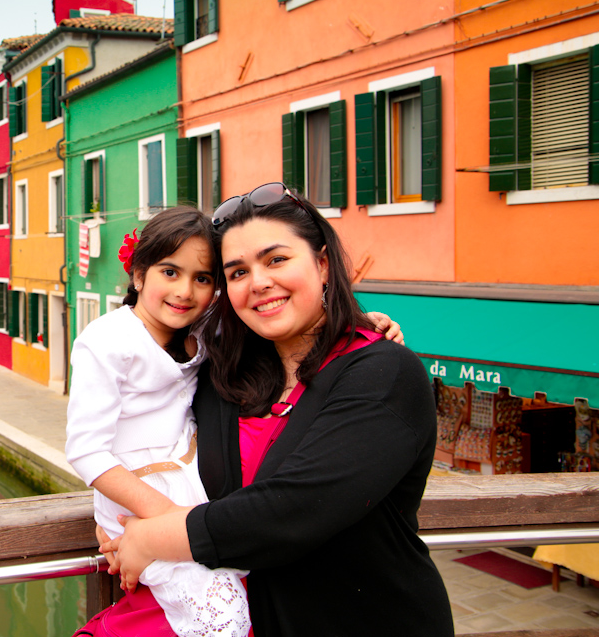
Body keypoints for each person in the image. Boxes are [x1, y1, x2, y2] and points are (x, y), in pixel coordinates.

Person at [101, 184, 453, 636]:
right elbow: (143, 437)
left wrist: (151, 537)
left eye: (276, 260)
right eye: (237, 272)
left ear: (322, 265)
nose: (259, 282)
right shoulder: (223, 375)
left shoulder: (383, 372)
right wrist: (114, 518)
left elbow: (297, 508)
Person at [66, 206, 252, 637]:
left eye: (202, 278)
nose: (185, 291)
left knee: (244, 582)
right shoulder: (107, 341)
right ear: (139, 275)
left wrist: (360, 325)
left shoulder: (202, 330)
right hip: (139, 498)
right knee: (221, 613)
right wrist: (170, 520)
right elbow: (85, 450)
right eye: (170, 272)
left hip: (191, 486)